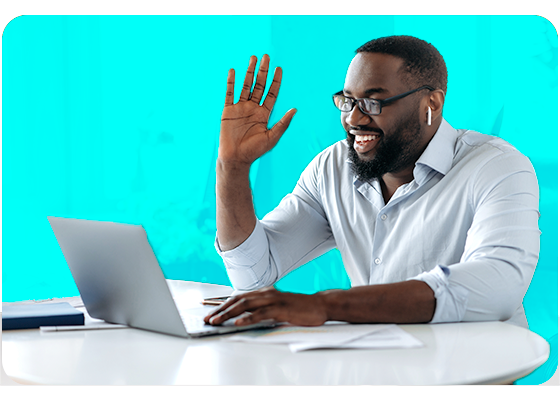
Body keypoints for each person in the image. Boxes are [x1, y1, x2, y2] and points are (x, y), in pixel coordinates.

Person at [204, 36, 540, 328]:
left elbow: (499, 285)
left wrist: (324, 305)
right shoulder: (332, 167)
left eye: (372, 102)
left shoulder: (497, 166)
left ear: (431, 104)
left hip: (476, 372)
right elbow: (254, 274)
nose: (353, 118)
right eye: (348, 101)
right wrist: (232, 166)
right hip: (375, 365)